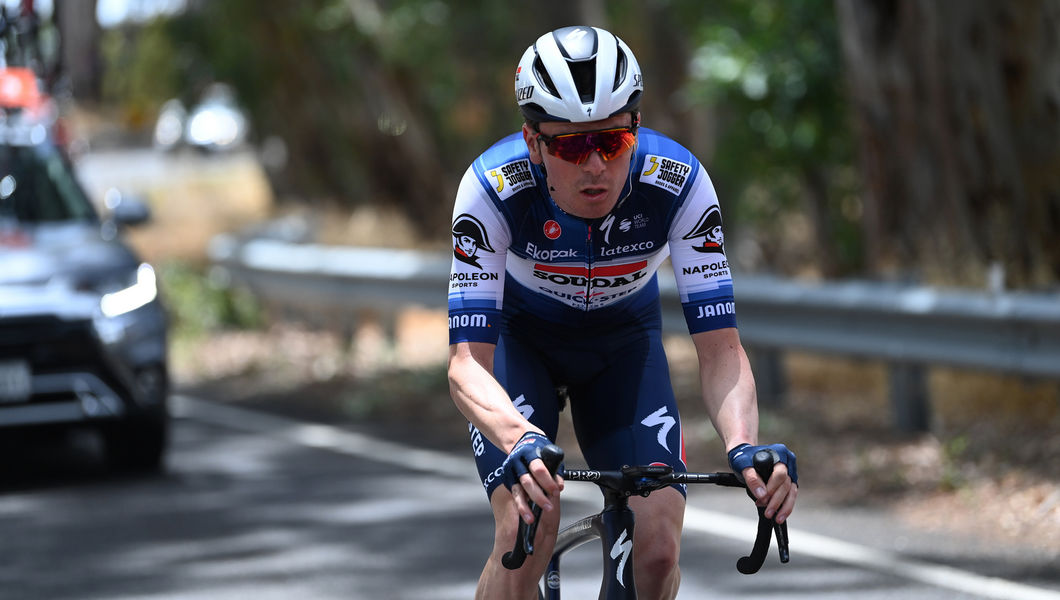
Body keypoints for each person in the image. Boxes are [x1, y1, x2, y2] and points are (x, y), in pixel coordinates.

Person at [447, 25, 798, 599]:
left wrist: (742, 446)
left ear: (635, 128)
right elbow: (466, 366)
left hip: (623, 347)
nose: (594, 166)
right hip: (520, 344)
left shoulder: (678, 185)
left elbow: (720, 348)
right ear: (533, 142)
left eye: (611, 143)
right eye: (569, 146)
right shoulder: (491, 190)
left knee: (657, 548)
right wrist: (518, 439)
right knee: (526, 526)